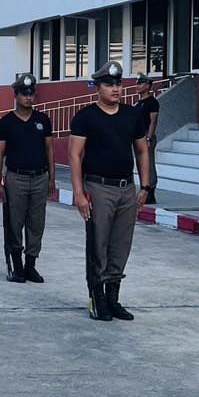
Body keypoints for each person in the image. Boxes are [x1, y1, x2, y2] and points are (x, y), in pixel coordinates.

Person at [69, 61, 151, 322]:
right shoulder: (86, 117)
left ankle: (113, 298)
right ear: (98, 87)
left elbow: (142, 150)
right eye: (109, 84)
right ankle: (98, 299)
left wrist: (145, 185)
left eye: (118, 84)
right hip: (98, 188)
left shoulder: (132, 115)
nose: (115, 89)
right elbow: (75, 155)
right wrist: (79, 193)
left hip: (126, 189)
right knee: (98, 245)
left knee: (120, 245)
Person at [0, 73, 53, 284]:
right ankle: (17, 266)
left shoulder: (42, 120)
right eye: (24, 94)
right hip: (16, 177)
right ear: (16, 95)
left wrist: (52, 179)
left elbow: (49, 150)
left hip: (39, 177)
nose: (28, 97)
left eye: (31, 93)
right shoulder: (6, 122)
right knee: (15, 222)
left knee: (36, 223)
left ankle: (31, 265)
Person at [136, 74, 160, 205]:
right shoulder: (139, 103)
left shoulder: (152, 102)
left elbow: (153, 121)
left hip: (146, 136)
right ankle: (143, 188)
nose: (137, 86)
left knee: (149, 164)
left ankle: (150, 191)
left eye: (140, 84)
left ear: (147, 86)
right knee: (141, 164)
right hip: (138, 137)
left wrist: (149, 138)